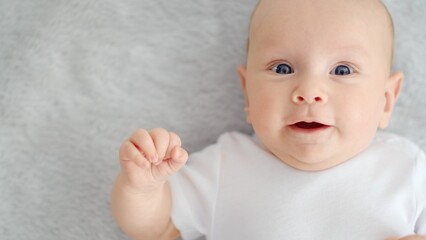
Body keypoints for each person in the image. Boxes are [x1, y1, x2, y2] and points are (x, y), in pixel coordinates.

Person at [111, 0, 426, 239]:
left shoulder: (407, 169)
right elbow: (159, 228)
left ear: (386, 100)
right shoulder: (227, 165)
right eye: (282, 69)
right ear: (248, 94)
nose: (309, 92)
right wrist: (143, 189)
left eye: (341, 70)